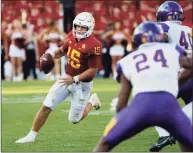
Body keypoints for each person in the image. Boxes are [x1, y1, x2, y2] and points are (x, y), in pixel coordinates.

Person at [93, 21, 193, 152]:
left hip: (140, 107)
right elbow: (190, 65)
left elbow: (122, 102)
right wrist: (176, 82)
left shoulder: (127, 61)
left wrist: (121, 120)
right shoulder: (172, 49)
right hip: (169, 106)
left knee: (105, 143)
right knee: (187, 141)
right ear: (160, 36)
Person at [15, 12, 102, 143]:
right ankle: (31, 136)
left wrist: (74, 79)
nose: (79, 29)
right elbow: (61, 51)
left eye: (82, 27)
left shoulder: (94, 44)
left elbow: (92, 70)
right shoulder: (71, 36)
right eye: (77, 26)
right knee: (47, 105)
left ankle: (92, 101)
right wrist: (49, 55)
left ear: (89, 28)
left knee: (74, 119)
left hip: (82, 84)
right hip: (66, 77)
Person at [150, 1, 193, 151]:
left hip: (177, 76)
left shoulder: (163, 27)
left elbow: (160, 38)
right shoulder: (188, 29)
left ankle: (165, 134)